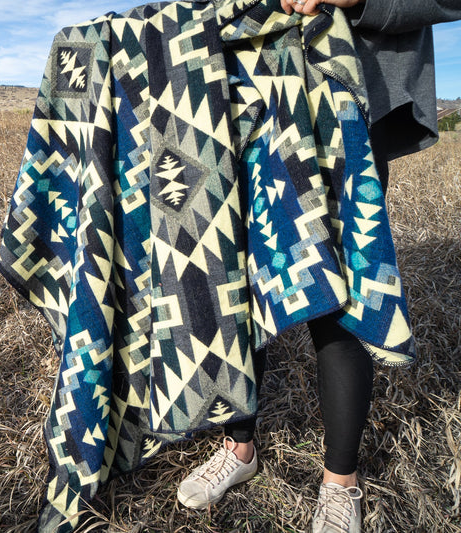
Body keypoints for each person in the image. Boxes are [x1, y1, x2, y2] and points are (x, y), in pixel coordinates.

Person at [176, 1, 461, 532]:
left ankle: (340, 483)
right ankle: (239, 450)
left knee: (340, 284)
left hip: (342, 88)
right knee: (234, 275)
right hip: (242, 98)